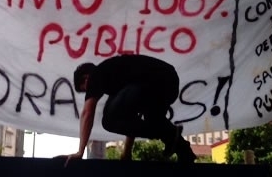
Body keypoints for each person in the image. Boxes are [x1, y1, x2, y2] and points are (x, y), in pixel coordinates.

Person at [65, 54, 196, 164]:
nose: (91, 94)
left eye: (86, 90)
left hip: (155, 82)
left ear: (86, 79)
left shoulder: (97, 74)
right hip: (168, 82)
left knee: (108, 120)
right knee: (154, 121)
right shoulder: (116, 79)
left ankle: (168, 133)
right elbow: (131, 118)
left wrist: (80, 151)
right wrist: (127, 151)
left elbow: (87, 113)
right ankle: (183, 150)